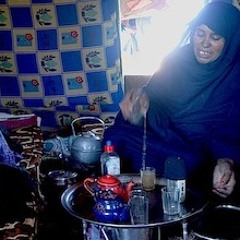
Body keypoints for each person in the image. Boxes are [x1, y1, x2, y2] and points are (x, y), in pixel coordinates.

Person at [103, 1, 240, 198]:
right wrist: (139, 102)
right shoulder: (177, 60)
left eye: (215, 37)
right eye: (199, 33)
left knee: (199, 168)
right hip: (167, 140)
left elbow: (232, 131)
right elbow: (152, 98)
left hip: (206, 154)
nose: (204, 43)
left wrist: (228, 159)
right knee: (115, 137)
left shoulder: (235, 75)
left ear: (231, 41)